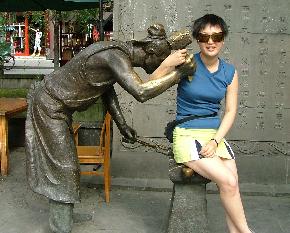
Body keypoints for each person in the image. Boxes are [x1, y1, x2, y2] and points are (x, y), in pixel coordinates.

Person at [25, 23, 195, 233]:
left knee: (66, 163)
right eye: (159, 60)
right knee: (64, 166)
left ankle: (63, 216)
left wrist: (121, 124)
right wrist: (178, 75)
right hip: (49, 106)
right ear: (149, 52)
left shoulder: (117, 54)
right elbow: (141, 91)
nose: (159, 65)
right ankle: (60, 225)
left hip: (59, 108)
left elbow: (106, 89)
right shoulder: (115, 56)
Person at [172, 14, 255, 233]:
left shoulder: (230, 72)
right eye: (204, 36)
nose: (211, 41)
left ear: (223, 39)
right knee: (228, 182)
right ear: (197, 40)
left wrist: (215, 140)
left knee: (232, 184)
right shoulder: (187, 64)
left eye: (216, 36)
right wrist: (168, 63)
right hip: (187, 134)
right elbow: (150, 84)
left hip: (214, 136)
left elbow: (230, 111)